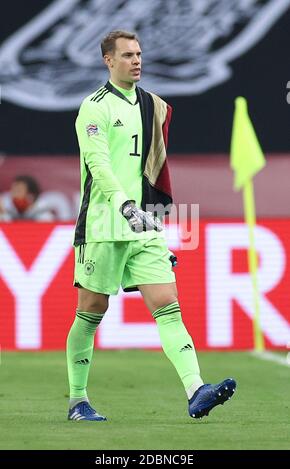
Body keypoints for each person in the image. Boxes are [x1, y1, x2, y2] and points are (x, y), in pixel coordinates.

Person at [67, 30, 236, 422]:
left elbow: (153, 169)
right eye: (127, 55)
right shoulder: (94, 108)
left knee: (168, 307)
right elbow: (99, 164)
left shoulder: (153, 106)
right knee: (90, 312)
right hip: (104, 223)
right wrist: (124, 204)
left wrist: (150, 216)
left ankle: (196, 389)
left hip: (143, 225)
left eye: (139, 54)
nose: (136, 60)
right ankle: (78, 400)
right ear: (108, 61)